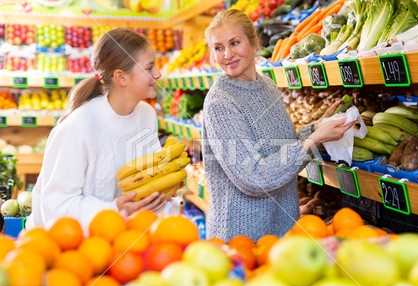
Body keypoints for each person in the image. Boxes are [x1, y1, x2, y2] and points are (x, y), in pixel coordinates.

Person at [202, 9, 354, 242]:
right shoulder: (220, 104)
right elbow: (253, 179)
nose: (227, 54)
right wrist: (312, 141)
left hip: (282, 229)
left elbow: (281, 147)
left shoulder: (268, 86)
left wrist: (316, 128)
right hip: (242, 238)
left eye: (235, 43)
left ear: (254, 44)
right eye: (218, 48)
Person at [28, 28, 168, 231]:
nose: (158, 73)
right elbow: (56, 205)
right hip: (64, 245)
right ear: (121, 78)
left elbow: (146, 177)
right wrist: (114, 209)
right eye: (149, 68)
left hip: (118, 238)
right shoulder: (78, 127)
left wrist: (162, 186)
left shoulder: (146, 115)